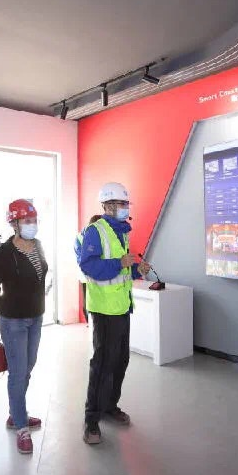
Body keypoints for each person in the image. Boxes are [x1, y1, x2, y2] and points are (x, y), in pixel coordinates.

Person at [79, 182, 150, 445]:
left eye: (126, 204)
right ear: (107, 206)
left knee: (120, 361)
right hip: (104, 309)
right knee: (103, 365)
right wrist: (120, 262)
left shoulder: (121, 232)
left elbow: (121, 270)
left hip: (121, 306)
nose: (125, 208)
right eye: (122, 204)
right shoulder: (95, 231)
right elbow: (88, 266)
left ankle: (110, 406)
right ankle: (91, 420)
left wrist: (136, 269)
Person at [0, 199, 48, 454]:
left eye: (34, 220)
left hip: (36, 316)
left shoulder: (38, 245)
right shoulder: (4, 252)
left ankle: (16, 413)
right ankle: (21, 427)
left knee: (28, 366)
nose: (32, 224)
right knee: (18, 372)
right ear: (14, 223)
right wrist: (2, 310)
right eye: (26, 221)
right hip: (13, 321)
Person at [74, 215, 102, 325]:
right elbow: (82, 259)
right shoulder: (82, 237)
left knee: (93, 299)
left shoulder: (92, 234)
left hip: (95, 273)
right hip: (86, 273)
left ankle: (92, 323)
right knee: (88, 299)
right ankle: (90, 323)